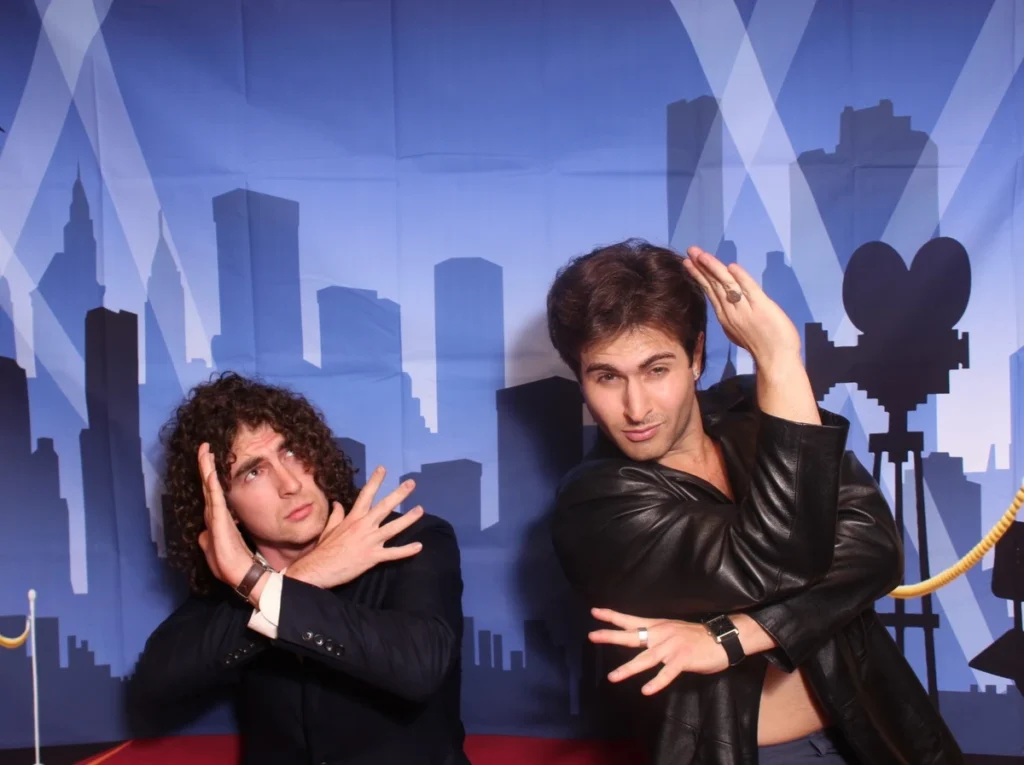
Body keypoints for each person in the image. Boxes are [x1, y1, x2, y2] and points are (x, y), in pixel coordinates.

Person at [545, 240, 963, 765]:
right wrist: (779, 357)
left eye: (657, 369)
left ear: (696, 356)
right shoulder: (595, 507)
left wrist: (731, 635)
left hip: (874, 730)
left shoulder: (751, 407)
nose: (636, 407)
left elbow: (875, 547)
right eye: (607, 377)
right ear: (582, 380)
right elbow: (783, 556)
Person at [129, 373, 470, 765]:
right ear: (223, 508)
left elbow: (420, 666)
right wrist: (296, 579)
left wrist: (269, 589)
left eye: (290, 451)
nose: (290, 483)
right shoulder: (233, 577)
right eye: (253, 472)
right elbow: (155, 684)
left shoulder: (407, 539)